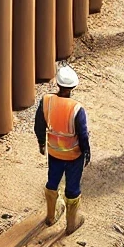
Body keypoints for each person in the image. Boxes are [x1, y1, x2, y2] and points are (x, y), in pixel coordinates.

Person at [34, 64, 90, 235]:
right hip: (73, 155)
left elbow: (38, 125)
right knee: (72, 188)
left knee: (52, 182)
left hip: (54, 152)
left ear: (58, 85)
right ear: (73, 87)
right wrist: (86, 152)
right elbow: (83, 135)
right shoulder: (76, 109)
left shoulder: (46, 102)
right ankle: (71, 225)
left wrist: (42, 143)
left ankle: (50, 217)